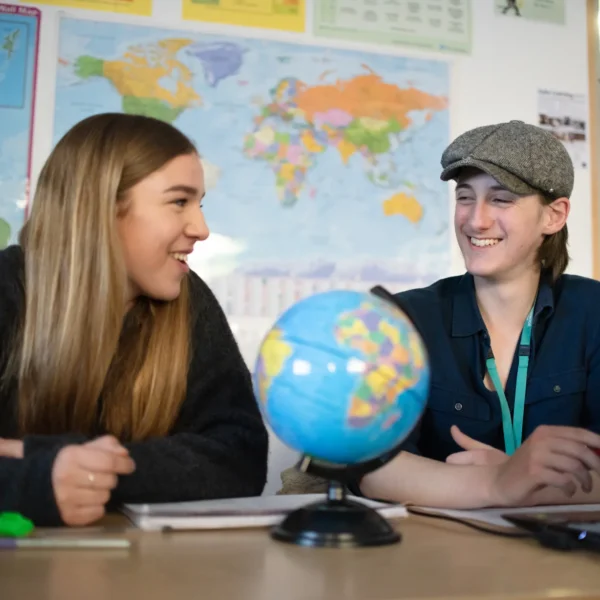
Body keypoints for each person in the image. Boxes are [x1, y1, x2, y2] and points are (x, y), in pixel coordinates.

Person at [0, 113, 269, 526]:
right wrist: (34, 482)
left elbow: (239, 457)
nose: (201, 228)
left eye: (199, 204)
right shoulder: (7, 287)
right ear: (101, 208)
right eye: (179, 201)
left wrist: (67, 466)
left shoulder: (189, 301)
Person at [346, 119, 600, 509]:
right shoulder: (405, 318)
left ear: (554, 215)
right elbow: (373, 468)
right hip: (439, 557)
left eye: (501, 199)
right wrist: (498, 482)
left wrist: (519, 479)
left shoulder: (592, 312)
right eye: (465, 197)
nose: (476, 219)